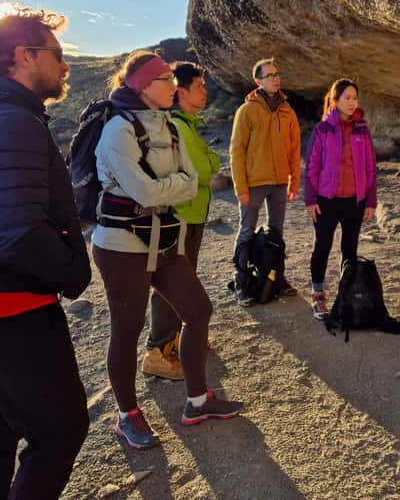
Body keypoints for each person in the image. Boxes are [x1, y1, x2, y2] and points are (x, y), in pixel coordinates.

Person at [0, 3, 92, 499]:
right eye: (57, 54)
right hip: (9, 305)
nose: (65, 65)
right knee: (59, 431)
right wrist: (72, 270)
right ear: (24, 55)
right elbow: (17, 235)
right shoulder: (11, 122)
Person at [92, 51, 241, 449]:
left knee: (198, 311)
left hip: (163, 237)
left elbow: (191, 181)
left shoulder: (169, 125)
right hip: (122, 244)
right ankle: (127, 416)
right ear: (143, 86)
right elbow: (147, 191)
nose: (173, 86)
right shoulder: (118, 130)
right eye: (166, 80)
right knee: (127, 329)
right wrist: (172, 187)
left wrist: (168, 188)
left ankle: (198, 401)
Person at [141, 61, 220, 379]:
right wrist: (211, 161)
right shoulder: (179, 126)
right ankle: (157, 352)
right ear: (182, 91)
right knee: (171, 284)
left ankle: (177, 341)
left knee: (182, 283)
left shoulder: (186, 124)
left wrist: (208, 161)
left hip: (189, 214)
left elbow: (205, 165)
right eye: (198, 85)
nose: (204, 91)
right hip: (179, 217)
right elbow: (204, 171)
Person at [229, 57, 301, 305]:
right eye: (269, 75)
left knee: (277, 232)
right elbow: (236, 151)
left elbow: (294, 149)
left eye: (276, 74)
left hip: (280, 181)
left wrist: (294, 181)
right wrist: (240, 188)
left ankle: (276, 278)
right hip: (254, 183)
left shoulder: (287, 111)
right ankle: (242, 282)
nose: (275, 79)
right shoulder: (247, 110)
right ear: (258, 81)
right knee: (246, 231)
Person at [304, 79, 377, 319]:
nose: (352, 102)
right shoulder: (322, 130)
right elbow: (312, 166)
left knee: (350, 249)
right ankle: (318, 295)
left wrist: (370, 201)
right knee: (322, 246)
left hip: (354, 201)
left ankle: (346, 296)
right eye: (347, 98)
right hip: (326, 200)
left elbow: (370, 167)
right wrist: (310, 199)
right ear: (335, 101)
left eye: (355, 98)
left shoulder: (362, 129)